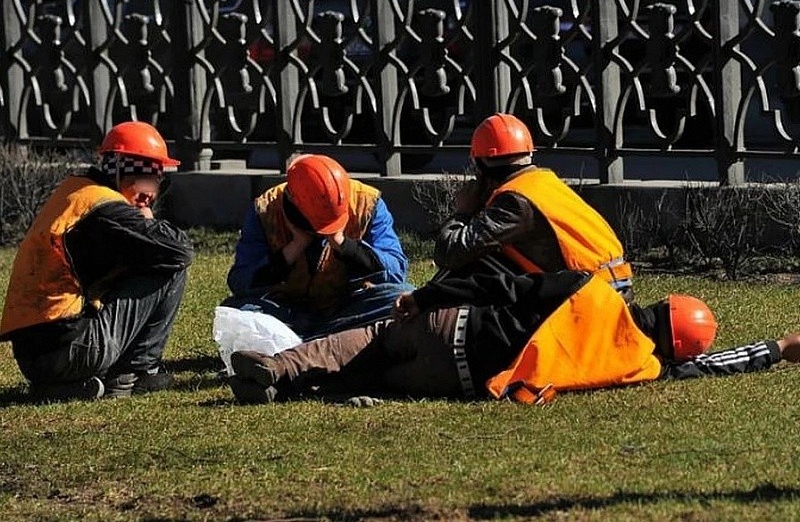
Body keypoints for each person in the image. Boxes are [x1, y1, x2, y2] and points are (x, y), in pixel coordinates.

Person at [225, 258, 800, 405]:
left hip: (453, 327)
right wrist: (779, 348)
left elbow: (499, 284)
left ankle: (279, 369)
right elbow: (717, 363)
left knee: (369, 341)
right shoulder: (645, 367)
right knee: (376, 373)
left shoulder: (589, 290)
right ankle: (326, 388)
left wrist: (425, 296)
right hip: (468, 379)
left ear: (660, 304)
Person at [0, 121, 193, 401]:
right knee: (171, 266)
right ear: (122, 171)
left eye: (158, 180)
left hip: (33, 358)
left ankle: (63, 387)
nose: (152, 191)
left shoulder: (75, 191)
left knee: (150, 256)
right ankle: (136, 373)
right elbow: (180, 250)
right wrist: (147, 219)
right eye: (150, 177)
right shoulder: (105, 208)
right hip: (74, 349)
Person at [434, 113, 635, 302]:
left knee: (475, 262)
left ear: (479, 164)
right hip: (612, 287)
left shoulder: (515, 202)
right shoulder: (543, 183)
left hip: (590, 297)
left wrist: (464, 212)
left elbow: (449, 253)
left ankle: (416, 318)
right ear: (529, 153)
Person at [225, 153, 412, 339]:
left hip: (348, 309)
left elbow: (396, 272)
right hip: (285, 313)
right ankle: (330, 342)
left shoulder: (368, 203)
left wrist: (343, 244)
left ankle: (303, 344)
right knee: (237, 311)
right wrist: (294, 247)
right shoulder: (265, 210)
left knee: (404, 299)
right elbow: (240, 282)